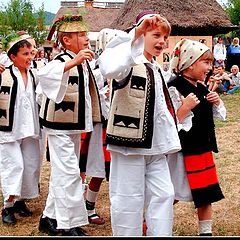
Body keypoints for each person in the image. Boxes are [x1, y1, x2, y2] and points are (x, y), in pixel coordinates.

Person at [98, 11, 181, 236]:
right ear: (142, 34)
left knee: (164, 194)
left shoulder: (156, 68)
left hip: (156, 146)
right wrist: (135, 33)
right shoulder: (127, 61)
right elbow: (109, 67)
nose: (162, 42)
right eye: (156, 35)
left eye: (164, 37)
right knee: (128, 202)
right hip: (129, 145)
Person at [36, 14, 102, 236]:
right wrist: (72, 62)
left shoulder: (81, 61)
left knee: (62, 174)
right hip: (58, 128)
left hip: (74, 126)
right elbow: (43, 76)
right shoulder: (61, 60)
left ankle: (48, 218)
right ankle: (67, 224)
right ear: (66, 40)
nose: (86, 38)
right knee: (70, 174)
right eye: (81, 35)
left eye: (85, 34)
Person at [167, 38, 226, 236]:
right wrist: (184, 109)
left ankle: (205, 232)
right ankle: (148, 221)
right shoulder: (174, 88)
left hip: (202, 149)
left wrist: (216, 102)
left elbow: (217, 115)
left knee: (206, 193)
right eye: (206, 63)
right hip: (182, 152)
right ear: (189, 63)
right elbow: (167, 122)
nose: (210, 68)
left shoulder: (202, 87)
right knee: (171, 193)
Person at [0, 33, 41, 224]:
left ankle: (20, 200)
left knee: (30, 164)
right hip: (9, 128)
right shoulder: (4, 74)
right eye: (25, 54)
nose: (29, 57)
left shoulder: (33, 74)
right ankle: (7, 207)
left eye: (30, 53)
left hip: (30, 126)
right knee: (13, 165)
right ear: (12, 57)